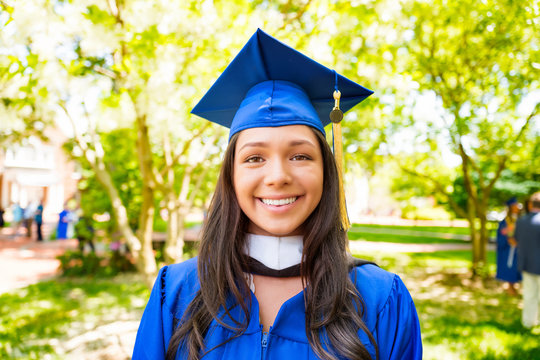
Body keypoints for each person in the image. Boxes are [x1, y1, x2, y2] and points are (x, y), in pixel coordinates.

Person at [132, 29, 422, 360]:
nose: (278, 177)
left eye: (300, 156)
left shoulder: (381, 298)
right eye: (254, 158)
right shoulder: (178, 292)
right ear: (231, 176)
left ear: (327, 171)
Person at [515, 191, 540, 328]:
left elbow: (516, 240)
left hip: (526, 264)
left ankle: (528, 322)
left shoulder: (521, 221)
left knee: (529, 295)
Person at [495, 197, 522, 295]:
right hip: (508, 249)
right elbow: (501, 234)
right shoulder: (505, 221)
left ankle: (514, 287)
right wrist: (508, 240)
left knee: (516, 268)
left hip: (518, 249)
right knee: (510, 269)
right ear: (511, 207)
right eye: (515, 206)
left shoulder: (520, 219)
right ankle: (510, 288)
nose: (517, 208)